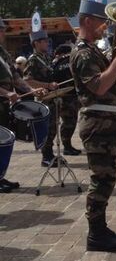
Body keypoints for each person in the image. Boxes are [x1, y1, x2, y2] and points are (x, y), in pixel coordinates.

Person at [69, 0, 116, 252]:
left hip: (105, 122)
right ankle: (95, 235)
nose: (105, 26)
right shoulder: (82, 53)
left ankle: (101, 228)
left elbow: (115, 85)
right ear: (87, 21)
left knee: (107, 177)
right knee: (102, 179)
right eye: (101, 21)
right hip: (97, 124)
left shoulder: (93, 50)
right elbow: (100, 86)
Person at [0, 17, 44, 192]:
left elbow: (16, 76)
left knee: (3, 143)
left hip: (4, 106)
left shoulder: (3, 53)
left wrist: (30, 90)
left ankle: (1, 176)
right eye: (1, 29)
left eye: (3, 29)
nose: (3, 33)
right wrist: (7, 93)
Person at [23, 29, 60, 167]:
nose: (47, 43)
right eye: (44, 41)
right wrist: (47, 85)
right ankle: (46, 156)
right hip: (43, 99)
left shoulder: (47, 58)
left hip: (53, 98)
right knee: (46, 128)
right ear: (36, 43)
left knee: (53, 128)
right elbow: (27, 80)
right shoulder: (33, 60)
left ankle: (50, 154)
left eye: (47, 41)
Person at [51, 43, 81, 155]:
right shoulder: (70, 60)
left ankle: (67, 146)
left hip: (62, 96)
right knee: (70, 123)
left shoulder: (55, 63)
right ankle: (67, 147)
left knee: (68, 122)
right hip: (70, 97)